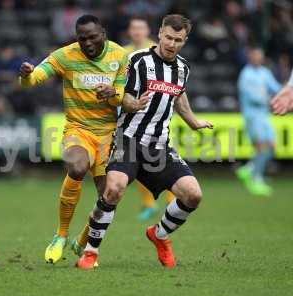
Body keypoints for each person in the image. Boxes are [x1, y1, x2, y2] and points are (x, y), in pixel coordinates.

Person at [76, 14, 214, 270]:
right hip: (128, 140)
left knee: (193, 195)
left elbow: (179, 96)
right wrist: (131, 103)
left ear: (185, 40)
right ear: (160, 33)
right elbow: (122, 96)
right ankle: (90, 251)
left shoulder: (183, 68)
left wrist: (193, 122)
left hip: (159, 147)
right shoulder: (138, 61)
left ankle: (159, 235)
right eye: (169, 37)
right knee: (114, 189)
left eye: (179, 40)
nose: (172, 44)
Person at [19, 15, 128, 264]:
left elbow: (123, 96)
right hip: (78, 129)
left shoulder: (120, 56)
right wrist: (27, 75)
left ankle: (84, 240)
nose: (87, 43)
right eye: (82, 39)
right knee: (77, 167)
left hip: (109, 133)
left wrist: (113, 94)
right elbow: (34, 79)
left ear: (104, 33)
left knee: (109, 194)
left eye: (92, 37)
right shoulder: (65, 55)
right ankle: (60, 235)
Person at [124, 16, 175, 221]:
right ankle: (149, 204)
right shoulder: (123, 53)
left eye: (141, 27)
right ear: (129, 31)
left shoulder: (158, 50)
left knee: (162, 159)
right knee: (136, 163)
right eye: (134, 27)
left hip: (157, 116)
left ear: (148, 31)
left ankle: (171, 200)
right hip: (131, 116)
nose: (137, 31)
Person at [236, 46, 281, 196]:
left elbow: (275, 87)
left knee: (272, 146)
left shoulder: (265, 72)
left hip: (264, 115)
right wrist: (270, 100)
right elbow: (251, 97)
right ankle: (256, 179)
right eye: (255, 55)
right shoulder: (246, 74)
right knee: (261, 146)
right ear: (250, 57)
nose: (258, 58)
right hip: (253, 115)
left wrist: (286, 92)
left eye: (260, 56)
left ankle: (248, 169)